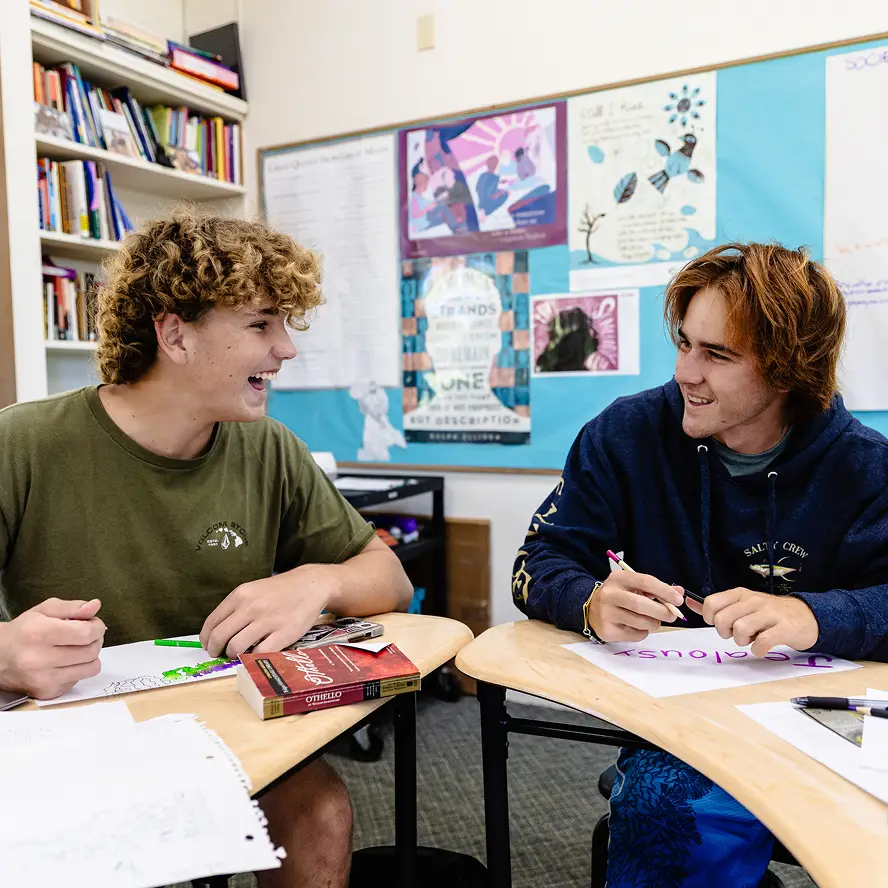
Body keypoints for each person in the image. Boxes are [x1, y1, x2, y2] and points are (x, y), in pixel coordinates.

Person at [0, 210, 414, 888]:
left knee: (320, 813)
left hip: (227, 725)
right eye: (261, 325)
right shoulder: (22, 445)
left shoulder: (267, 447)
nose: (286, 349)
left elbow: (388, 577)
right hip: (71, 735)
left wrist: (314, 582)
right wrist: (6, 655)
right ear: (174, 335)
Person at [512, 242, 888, 888]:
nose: (687, 372)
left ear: (785, 370)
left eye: (716, 355)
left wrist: (810, 616)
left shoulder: (863, 466)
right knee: (666, 815)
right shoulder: (626, 436)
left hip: (834, 725)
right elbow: (537, 559)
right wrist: (589, 601)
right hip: (687, 727)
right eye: (685, 344)